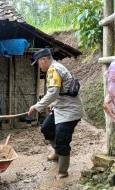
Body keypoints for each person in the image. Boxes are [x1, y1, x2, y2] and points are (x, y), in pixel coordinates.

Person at [28, 48, 84, 179]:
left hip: (70, 111)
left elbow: (53, 93)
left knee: (62, 140)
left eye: (38, 62)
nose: (38, 65)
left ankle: (63, 171)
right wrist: (52, 103)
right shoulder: (55, 67)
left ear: (44, 59)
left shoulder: (53, 69)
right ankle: (57, 152)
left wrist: (37, 107)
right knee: (46, 128)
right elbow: (59, 92)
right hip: (60, 108)